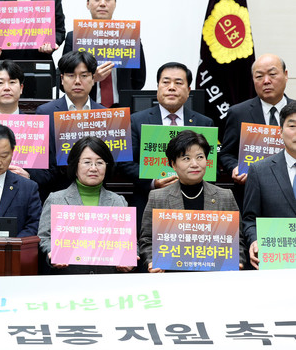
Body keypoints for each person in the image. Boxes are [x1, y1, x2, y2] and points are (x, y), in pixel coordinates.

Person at [117, 62, 214, 230]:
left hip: (193, 202)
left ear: (188, 90)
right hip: (149, 201)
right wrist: (153, 182)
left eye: (178, 83)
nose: (171, 87)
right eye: (166, 82)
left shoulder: (204, 123)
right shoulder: (136, 121)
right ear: (158, 87)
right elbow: (125, 163)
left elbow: (211, 165)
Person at [139, 130, 240, 272]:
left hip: (214, 276)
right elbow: (147, 240)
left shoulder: (225, 196)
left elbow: (238, 239)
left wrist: (238, 262)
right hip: (172, 276)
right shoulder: (158, 197)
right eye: (186, 158)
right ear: (173, 164)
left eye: (200, 157)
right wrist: (152, 261)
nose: (194, 164)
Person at [38, 136, 135, 274]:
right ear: (75, 165)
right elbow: (44, 237)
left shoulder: (118, 201)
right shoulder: (56, 199)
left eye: (99, 163)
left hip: (107, 279)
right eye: (87, 162)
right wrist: (52, 252)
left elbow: (130, 241)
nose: (93, 168)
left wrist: (129, 258)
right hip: (68, 278)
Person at [62, 0, 146, 107]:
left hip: (122, 108)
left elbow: (138, 80)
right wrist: (92, 78)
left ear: (115, 2)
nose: (102, 3)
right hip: (86, 107)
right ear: (88, 3)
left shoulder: (129, 36)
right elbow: (63, 81)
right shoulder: (74, 38)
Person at [220, 54, 292, 204]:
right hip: (252, 194)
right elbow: (226, 153)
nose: (266, 81)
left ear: (285, 75)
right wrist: (235, 168)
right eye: (259, 76)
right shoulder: (238, 113)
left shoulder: (295, 110)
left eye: (272, 74)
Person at [34, 51, 104, 203]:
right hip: (56, 191)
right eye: (71, 75)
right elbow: (42, 160)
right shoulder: (45, 112)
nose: (77, 81)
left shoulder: (104, 114)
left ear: (93, 79)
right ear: (62, 79)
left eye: (84, 76)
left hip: (96, 193)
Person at [242, 101, 296, 269]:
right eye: (292, 126)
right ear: (280, 132)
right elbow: (249, 219)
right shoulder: (259, 170)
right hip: (277, 262)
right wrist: (255, 240)